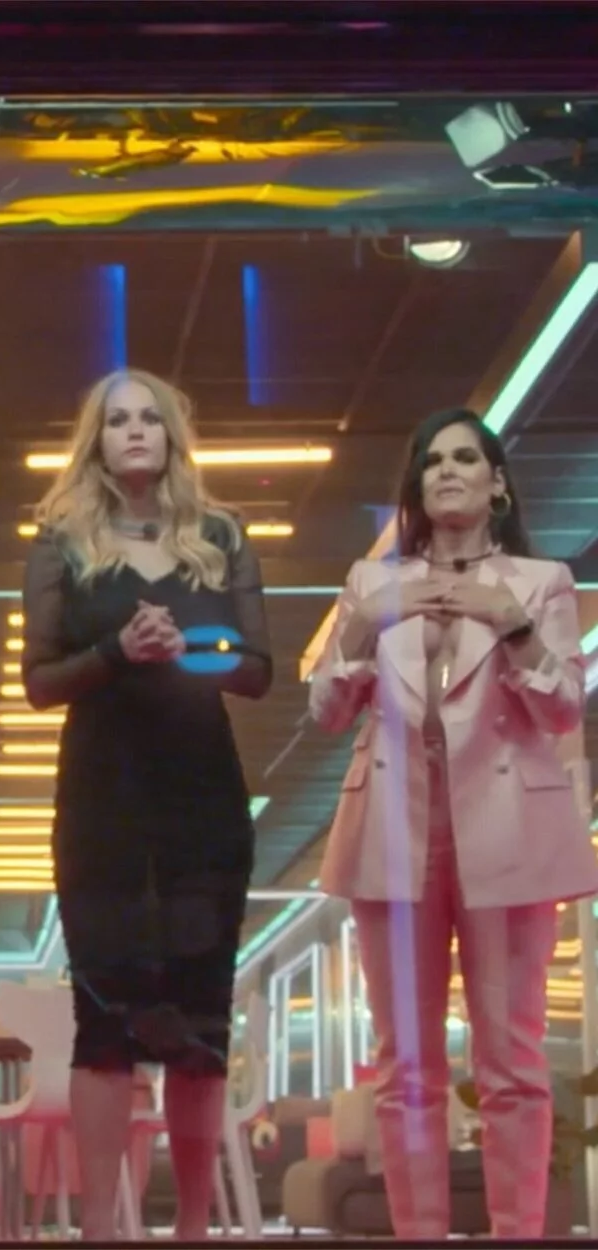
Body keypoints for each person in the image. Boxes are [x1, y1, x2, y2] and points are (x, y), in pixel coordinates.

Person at [310, 407, 598, 1239]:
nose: (446, 471)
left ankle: (518, 1232)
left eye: (465, 458)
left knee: (511, 1062)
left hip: (508, 835)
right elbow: (327, 711)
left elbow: (564, 709)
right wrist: (364, 623)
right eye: (432, 460)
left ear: (496, 483)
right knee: (405, 1068)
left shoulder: (540, 582)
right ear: (417, 485)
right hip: (392, 836)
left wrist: (509, 621)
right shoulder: (371, 583)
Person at [18, 368, 272, 1240]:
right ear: (96, 439)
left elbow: (258, 670)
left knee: (201, 1018)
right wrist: (118, 652)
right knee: (107, 1018)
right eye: (117, 419)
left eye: (149, 419)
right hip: (102, 804)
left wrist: (190, 646)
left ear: (171, 436)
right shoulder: (61, 544)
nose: (135, 431)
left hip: (205, 803)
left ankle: (193, 1226)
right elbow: (39, 683)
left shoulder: (221, 537)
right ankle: (101, 1227)